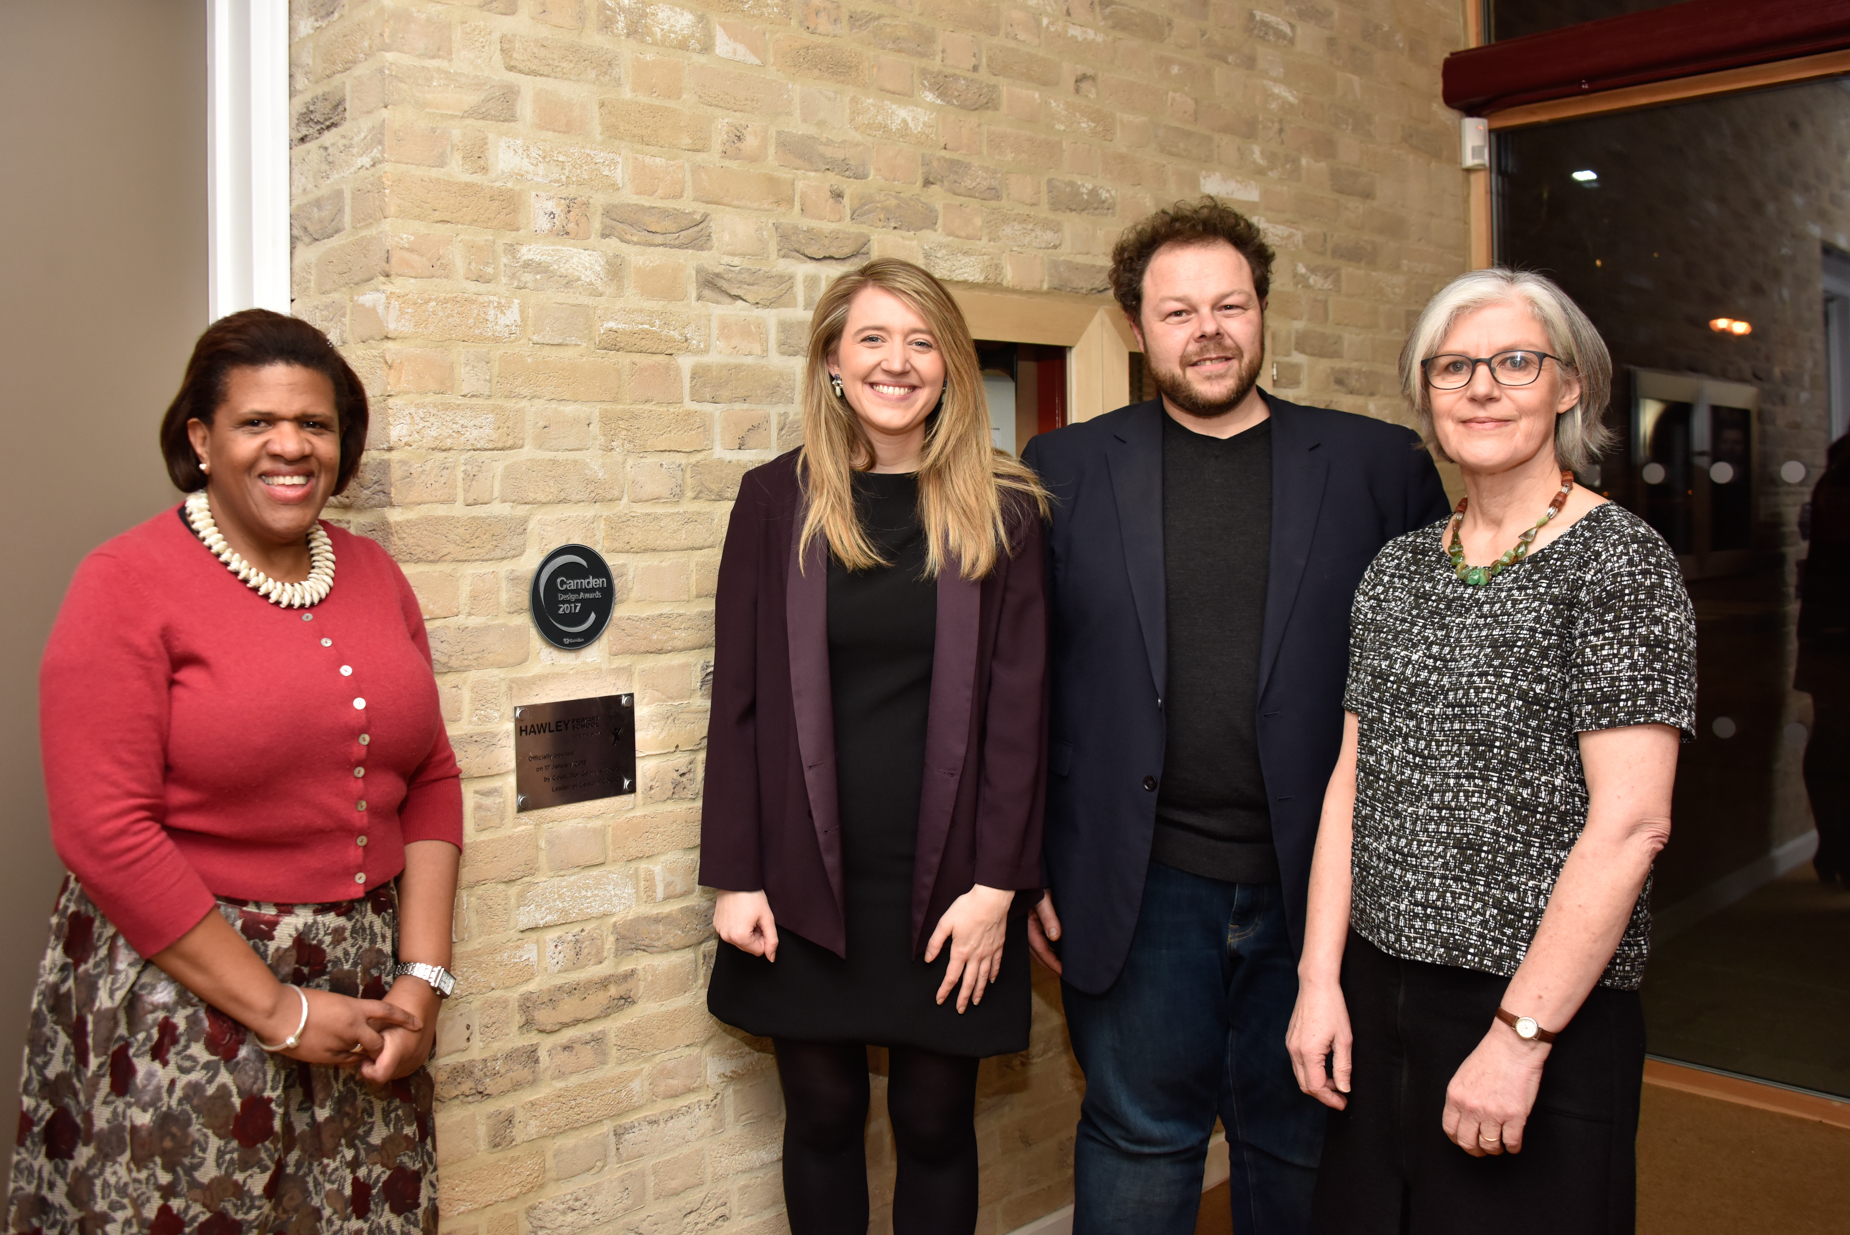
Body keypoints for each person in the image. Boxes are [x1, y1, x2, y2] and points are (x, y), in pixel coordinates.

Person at [1020, 197, 1451, 1235]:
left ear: (1261, 313)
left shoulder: (1375, 465)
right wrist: (1031, 860)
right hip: (1136, 880)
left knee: (1300, 1140)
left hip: (1321, 884)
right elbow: (1023, 681)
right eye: (1177, 311)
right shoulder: (1063, 468)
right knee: (1137, 1137)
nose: (1206, 329)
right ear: (1135, 327)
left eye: (1230, 304)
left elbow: (1431, 685)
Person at [11, 309, 463, 1233]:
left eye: (317, 423)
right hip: (189, 999)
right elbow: (105, 829)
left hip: (363, 1004)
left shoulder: (377, 573)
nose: (290, 445)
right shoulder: (125, 581)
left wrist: (419, 980)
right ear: (201, 440)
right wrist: (281, 1010)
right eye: (257, 422)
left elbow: (432, 779)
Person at [1286, 268, 1697, 1231]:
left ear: (1569, 386)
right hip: (1374, 996)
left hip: (1538, 1010)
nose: (1481, 387)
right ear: (1426, 395)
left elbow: (1632, 824)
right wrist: (1316, 982)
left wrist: (1520, 1038)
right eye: (1454, 367)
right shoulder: (1398, 567)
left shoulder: (1620, 563)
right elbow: (1353, 781)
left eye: (1516, 362)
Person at [699, 259, 1050, 1235]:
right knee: (821, 1112)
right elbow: (740, 697)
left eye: (921, 340)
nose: (897, 362)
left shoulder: (1007, 509)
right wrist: (736, 874)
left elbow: (1024, 716)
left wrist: (995, 889)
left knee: (935, 1121)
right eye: (872, 339)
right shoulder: (775, 500)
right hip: (801, 872)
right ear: (830, 363)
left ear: (949, 365)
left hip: (949, 880)